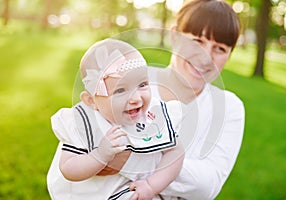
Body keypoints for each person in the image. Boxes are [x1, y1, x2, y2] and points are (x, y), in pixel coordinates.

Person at [100, 0, 245, 199]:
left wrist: (126, 159)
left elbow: (207, 186)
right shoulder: (126, 81)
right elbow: (80, 146)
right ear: (174, 36)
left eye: (219, 48)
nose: (205, 57)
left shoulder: (229, 107)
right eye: (197, 41)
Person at [47, 38, 184, 200]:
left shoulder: (153, 115)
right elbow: (68, 168)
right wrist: (99, 155)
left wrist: (151, 185)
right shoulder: (85, 122)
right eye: (120, 90)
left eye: (142, 84)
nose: (136, 98)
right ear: (91, 101)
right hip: (96, 194)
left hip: (136, 191)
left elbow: (176, 153)